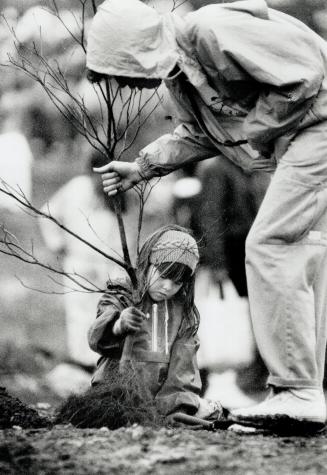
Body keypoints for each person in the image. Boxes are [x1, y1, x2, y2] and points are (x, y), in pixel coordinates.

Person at [86, 0, 327, 432]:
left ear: (137, 51)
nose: (127, 86)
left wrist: (253, 131)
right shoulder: (182, 74)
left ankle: (298, 390)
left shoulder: (210, 32)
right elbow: (202, 132)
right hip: (300, 138)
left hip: (318, 127)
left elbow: (305, 72)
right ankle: (307, 390)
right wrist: (142, 168)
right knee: (306, 250)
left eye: (123, 73)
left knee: (271, 244)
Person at [88, 225, 223, 422]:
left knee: (202, 410)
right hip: (114, 397)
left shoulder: (183, 314)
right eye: (163, 275)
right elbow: (96, 337)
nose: (168, 287)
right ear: (148, 263)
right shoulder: (123, 295)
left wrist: (174, 406)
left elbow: (183, 372)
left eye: (177, 282)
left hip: (162, 403)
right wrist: (118, 325)